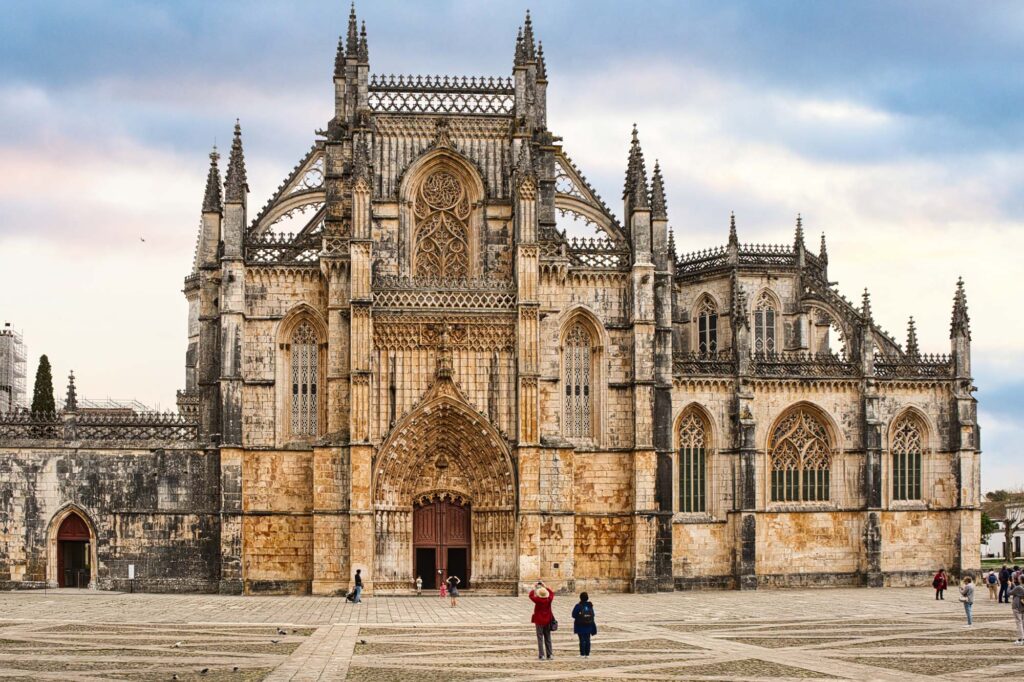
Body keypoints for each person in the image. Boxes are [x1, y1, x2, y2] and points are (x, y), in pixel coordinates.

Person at [529, 581, 555, 661]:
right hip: (547, 621)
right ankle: (550, 654)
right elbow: (552, 594)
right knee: (548, 638)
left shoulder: (538, 600)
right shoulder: (548, 600)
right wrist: (545, 586)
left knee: (540, 638)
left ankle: (541, 655)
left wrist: (534, 588)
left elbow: (530, 596)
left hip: (539, 621)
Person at [571, 592, 597, 658]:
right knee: (588, 639)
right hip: (589, 625)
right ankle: (587, 654)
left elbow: (573, 615)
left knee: (581, 640)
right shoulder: (590, 605)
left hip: (580, 625)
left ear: (580, 598)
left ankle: (582, 654)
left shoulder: (578, 605)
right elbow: (593, 614)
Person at [1009, 574, 1024, 645]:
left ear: (1020, 580)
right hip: (1022, 606)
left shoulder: (1019, 588)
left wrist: (1009, 586)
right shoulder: (1020, 587)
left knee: (1019, 622)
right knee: (1022, 622)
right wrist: (1013, 584)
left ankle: (1021, 639)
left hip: (1017, 607)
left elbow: (1009, 593)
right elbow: (1018, 590)